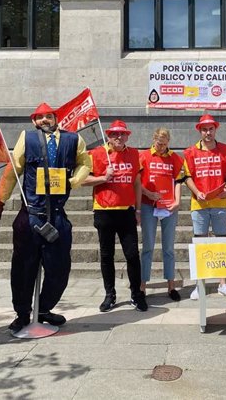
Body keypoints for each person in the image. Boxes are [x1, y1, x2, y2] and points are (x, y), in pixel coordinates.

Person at [0, 103, 91, 334]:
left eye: (49, 116)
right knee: (23, 269)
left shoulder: (72, 139)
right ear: (34, 121)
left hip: (57, 216)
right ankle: (23, 314)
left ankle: (43, 308)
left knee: (60, 269)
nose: (45, 120)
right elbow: (13, 169)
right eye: (40, 117)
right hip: (31, 216)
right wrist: (1, 200)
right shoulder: (27, 138)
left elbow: (85, 162)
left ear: (56, 118)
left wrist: (74, 181)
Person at [82, 120, 147, 312]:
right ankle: (110, 294)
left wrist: (138, 209)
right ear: (108, 136)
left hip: (126, 212)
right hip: (104, 211)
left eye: (122, 134)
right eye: (114, 134)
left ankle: (136, 294)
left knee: (132, 255)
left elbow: (136, 183)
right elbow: (81, 179)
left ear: (128, 135)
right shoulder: (95, 154)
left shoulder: (135, 154)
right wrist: (103, 178)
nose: (118, 137)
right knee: (106, 255)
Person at [183, 113, 226, 300]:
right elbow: (187, 177)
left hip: (220, 202)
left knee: (222, 243)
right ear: (199, 130)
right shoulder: (190, 152)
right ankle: (200, 284)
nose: (208, 132)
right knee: (200, 244)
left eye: (211, 129)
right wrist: (196, 191)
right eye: (204, 129)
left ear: (216, 129)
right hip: (199, 203)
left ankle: (223, 284)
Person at [139, 128, 185, 301]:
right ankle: (142, 286)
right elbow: (136, 182)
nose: (161, 148)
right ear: (154, 139)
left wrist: (178, 201)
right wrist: (147, 193)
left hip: (168, 205)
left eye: (165, 145)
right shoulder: (143, 156)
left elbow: (179, 182)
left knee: (169, 248)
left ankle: (171, 286)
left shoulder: (174, 158)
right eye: (159, 144)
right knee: (148, 247)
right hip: (148, 204)